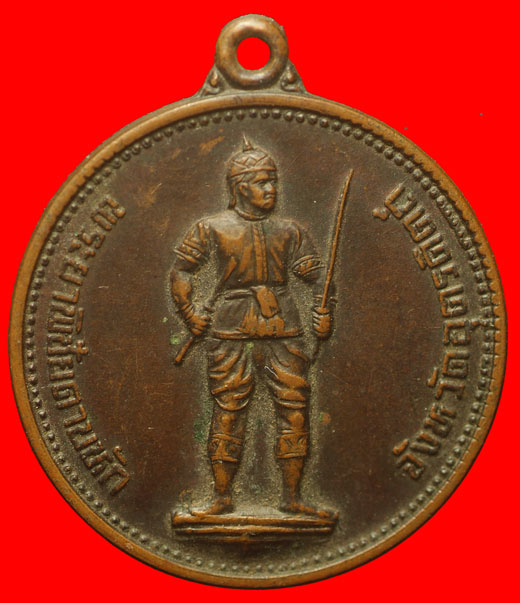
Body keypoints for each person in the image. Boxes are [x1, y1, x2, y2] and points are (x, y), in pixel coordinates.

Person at [170, 137, 333, 517]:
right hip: (230, 329)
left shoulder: (290, 231)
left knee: (294, 409)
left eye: (273, 181)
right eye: (262, 182)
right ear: (241, 187)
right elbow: (181, 271)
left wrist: (325, 312)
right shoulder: (211, 228)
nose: (271, 189)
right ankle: (222, 496)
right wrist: (189, 313)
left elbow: (317, 279)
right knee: (228, 408)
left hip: (283, 328)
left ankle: (292, 497)